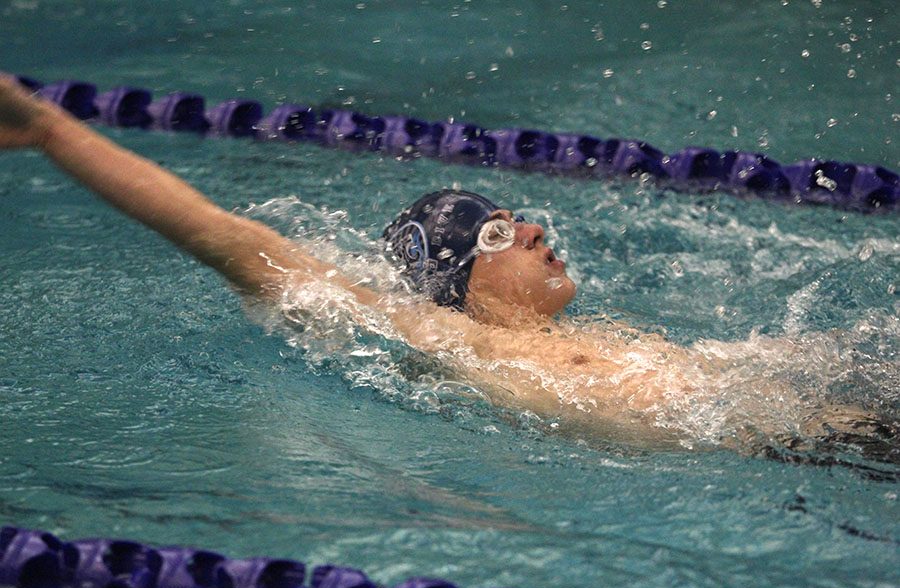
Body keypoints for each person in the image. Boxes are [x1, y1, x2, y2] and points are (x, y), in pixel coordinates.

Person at [1, 75, 896, 462]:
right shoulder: (440, 337)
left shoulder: (582, 337)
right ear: (460, 284)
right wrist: (50, 130)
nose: (540, 230)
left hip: (812, 406)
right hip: (807, 441)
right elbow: (225, 236)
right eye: (502, 236)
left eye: (522, 218)